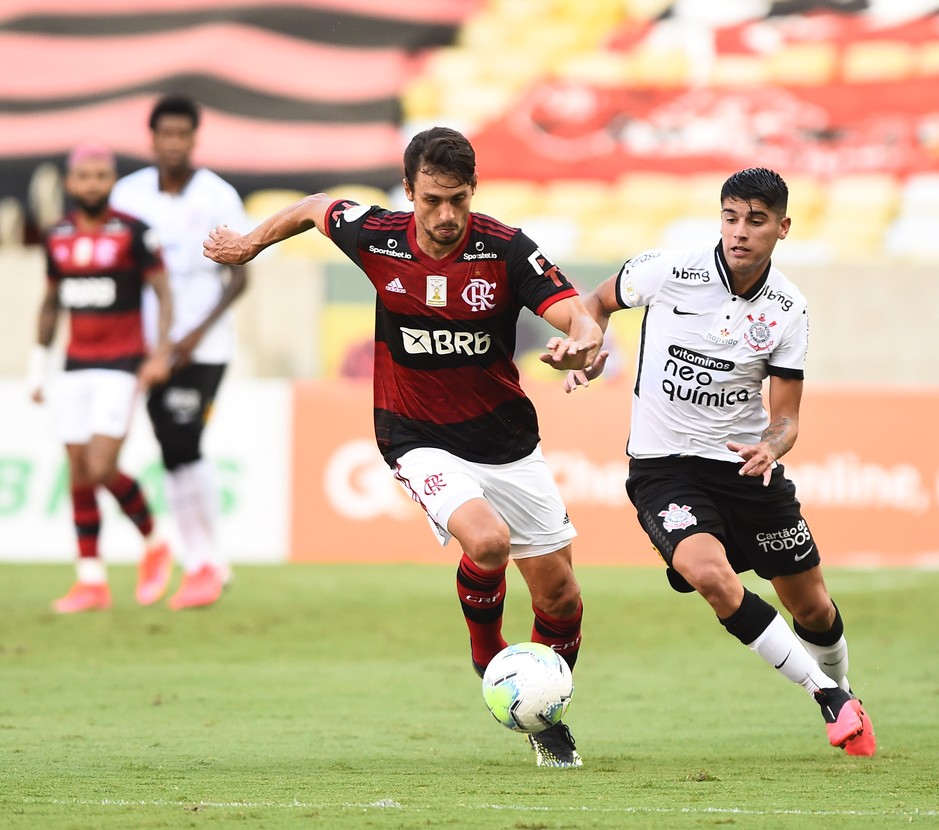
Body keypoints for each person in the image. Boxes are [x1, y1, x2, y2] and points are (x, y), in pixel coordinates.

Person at [203, 126, 602, 768]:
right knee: (489, 542)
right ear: (409, 191)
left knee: (562, 599)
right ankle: (489, 657)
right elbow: (313, 208)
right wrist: (250, 244)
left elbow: (576, 314)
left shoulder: (504, 249)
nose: (447, 216)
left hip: (506, 441)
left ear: (475, 192)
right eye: (432, 200)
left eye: (460, 200)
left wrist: (581, 345)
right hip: (414, 436)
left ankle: (541, 713)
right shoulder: (377, 236)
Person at [566, 167, 876, 756]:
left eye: (756, 221)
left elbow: (786, 416)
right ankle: (828, 697)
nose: (740, 232)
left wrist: (774, 445)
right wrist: (592, 349)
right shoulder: (667, 270)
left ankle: (843, 689)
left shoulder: (787, 308)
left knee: (811, 603)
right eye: (731, 218)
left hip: (745, 469)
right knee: (708, 575)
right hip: (664, 467)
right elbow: (593, 302)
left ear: (782, 228)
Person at [111, 95, 249, 610]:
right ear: (152, 139)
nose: (172, 144)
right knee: (172, 450)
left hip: (204, 348)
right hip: (147, 347)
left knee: (184, 440)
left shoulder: (218, 197)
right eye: (164, 134)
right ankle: (208, 560)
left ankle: (203, 562)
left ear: (193, 138)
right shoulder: (128, 196)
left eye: (181, 135)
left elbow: (239, 276)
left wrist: (192, 336)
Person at [29, 143, 173, 613]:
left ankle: (154, 541)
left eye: (100, 176)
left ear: (111, 181)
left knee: (100, 464)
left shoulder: (134, 233)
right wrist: (38, 365)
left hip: (122, 363)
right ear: (70, 183)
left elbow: (163, 291)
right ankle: (91, 580)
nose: (92, 183)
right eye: (83, 176)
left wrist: (160, 352)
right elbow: (51, 303)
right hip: (73, 365)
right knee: (77, 472)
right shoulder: (58, 235)